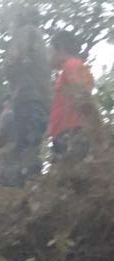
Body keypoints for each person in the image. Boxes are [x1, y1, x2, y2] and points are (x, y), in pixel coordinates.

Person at [0, 6, 50, 187]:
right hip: (41, 99)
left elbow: (13, 61)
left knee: (24, 144)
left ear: (18, 21)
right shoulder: (40, 39)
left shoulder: (25, 32)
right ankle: (28, 183)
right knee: (30, 143)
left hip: (26, 96)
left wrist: (7, 69)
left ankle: (20, 185)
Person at [48, 30, 100, 163]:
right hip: (68, 133)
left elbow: (82, 96)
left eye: (51, 51)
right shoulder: (73, 67)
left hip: (71, 133)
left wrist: (96, 130)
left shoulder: (71, 65)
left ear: (60, 48)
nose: (49, 56)